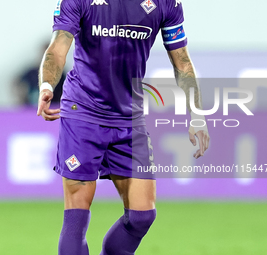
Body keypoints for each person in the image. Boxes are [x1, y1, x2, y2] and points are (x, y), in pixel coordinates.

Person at [37, 0, 210, 254]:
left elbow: (182, 61)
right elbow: (57, 47)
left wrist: (197, 113)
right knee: (77, 215)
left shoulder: (166, 4)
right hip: (83, 113)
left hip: (130, 117)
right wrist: (47, 86)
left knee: (142, 216)